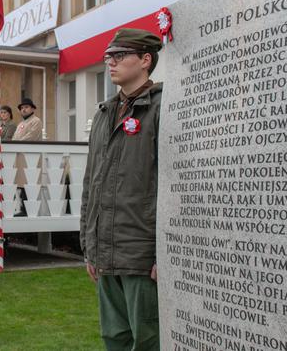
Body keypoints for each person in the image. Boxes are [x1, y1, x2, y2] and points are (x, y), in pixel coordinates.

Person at [80, 28, 163, 350]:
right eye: (107, 57)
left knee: (148, 339)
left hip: (140, 250)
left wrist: (163, 252)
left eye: (119, 56)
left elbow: (171, 184)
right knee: (113, 336)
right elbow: (92, 182)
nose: (110, 63)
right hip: (104, 249)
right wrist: (89, 245)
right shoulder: (104, 113)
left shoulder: (160, 107)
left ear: (145, 60)